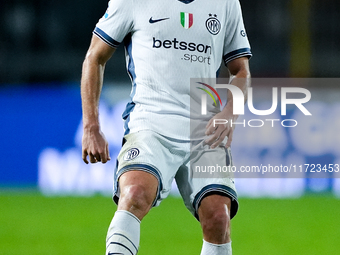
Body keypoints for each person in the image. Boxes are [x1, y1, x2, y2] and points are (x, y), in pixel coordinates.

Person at [81, 0, 251, 254]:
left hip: (205, 129)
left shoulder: (226, 3)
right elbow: (95, 57)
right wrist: (91, 126)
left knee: (218, 217)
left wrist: (230, 113)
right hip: (151, 121)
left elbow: (241, 71)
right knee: (135, 193)